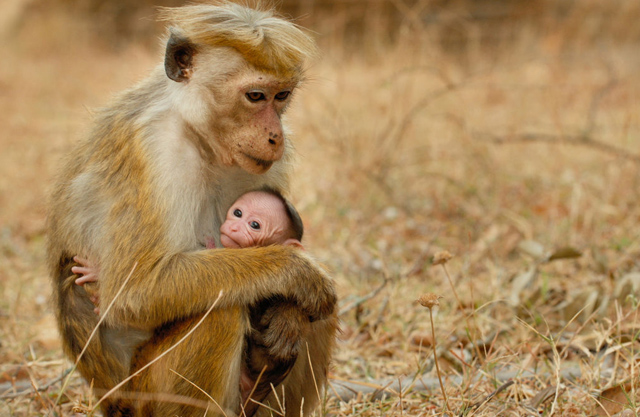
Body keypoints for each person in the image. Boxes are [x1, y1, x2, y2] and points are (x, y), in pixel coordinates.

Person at [72, 189, 305, 309]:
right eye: (237, 213)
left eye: (254, 226)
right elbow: (161, 287)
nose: (235, 228)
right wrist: (115, 280)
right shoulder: (211, 245)